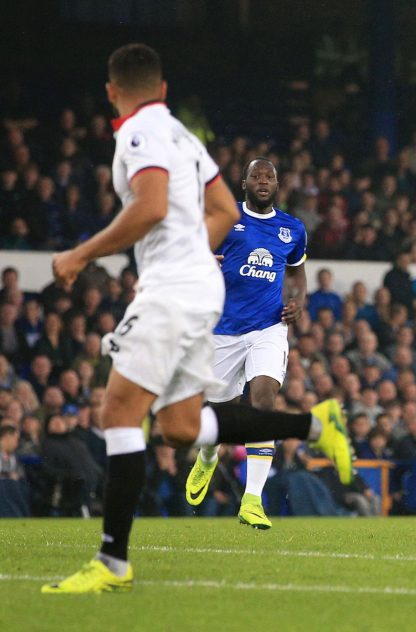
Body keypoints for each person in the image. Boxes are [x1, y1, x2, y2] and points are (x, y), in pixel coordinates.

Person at [42, 44, 351, 595]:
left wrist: (81, 255)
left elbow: (152, 206)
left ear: (113, 92)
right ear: (162, 90)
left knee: (116, 410)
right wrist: (196, 258)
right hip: (207, 300)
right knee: (181, 426)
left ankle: (113, 560)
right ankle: (315, 425)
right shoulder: (185, 137)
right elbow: (225, 212)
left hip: (173, 291)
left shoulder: (138, 135)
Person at [184, 158, 308, 530]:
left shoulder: (293, 229)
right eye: (256, 175)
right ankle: (207, 457)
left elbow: (297, 273)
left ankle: (253, 499)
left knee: (264, 400)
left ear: (278, 183)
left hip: (268, 328)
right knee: (221, 415)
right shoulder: (225, 217)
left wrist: (298, 301)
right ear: (244, 183)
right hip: (224, 329)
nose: (264, 180)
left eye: (270, 175)